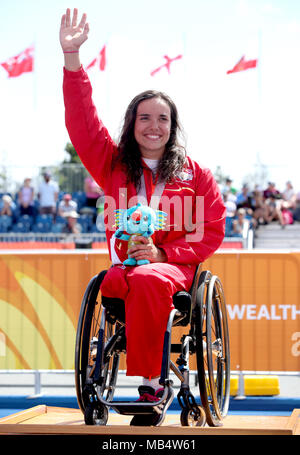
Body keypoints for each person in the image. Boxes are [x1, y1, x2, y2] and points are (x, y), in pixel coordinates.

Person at [60, 8, 226, 423]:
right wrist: (72, 61)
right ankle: (110, 377)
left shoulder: (196, 174)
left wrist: (164, 257)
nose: (153, 126)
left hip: (172, 274)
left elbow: (213, 231)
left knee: (150, 280)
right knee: (117, 281)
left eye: (163, 119)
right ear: (132, 124)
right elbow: (82, 124)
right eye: (144, 117)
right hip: (123, 272)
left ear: (173, 126)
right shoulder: (113, 164)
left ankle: (151, 384)